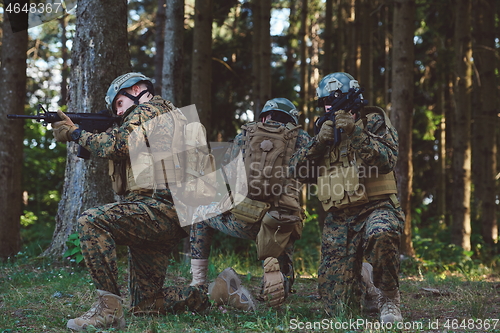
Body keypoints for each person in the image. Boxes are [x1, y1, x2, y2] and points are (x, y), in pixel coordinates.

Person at [51, 72, 255, 331]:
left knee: (91, 222)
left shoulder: (148, 110)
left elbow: (117, 145)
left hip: (157, 209)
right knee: (146, 304)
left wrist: (75, 133)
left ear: (136, 90)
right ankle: (218, 291)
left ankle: (108, 311)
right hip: (167, 215)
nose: (118, 113)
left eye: (119, 104)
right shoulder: (170, 115)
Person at [290, 72, 405, 322]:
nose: (327, 106)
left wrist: (354, 131)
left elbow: (387, 161)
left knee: (381, 233)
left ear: (350, 98)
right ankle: (365, 279)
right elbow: (295, 171)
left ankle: (388, 297)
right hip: (340, 219)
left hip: (377, 207)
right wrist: (318, 143)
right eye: (323, 103)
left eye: (331, 100)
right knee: (339, 311)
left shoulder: (373, 121)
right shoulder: (324, 130)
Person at [189, 98, 312, 308]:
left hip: (245, 218)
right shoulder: (301, 138)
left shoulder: (245, 134)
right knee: (282, 260)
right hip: (281, 222)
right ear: (292, 120)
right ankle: (278, 279)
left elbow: (227, 175)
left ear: (264, 116)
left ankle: (198, 283)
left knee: (200, 215)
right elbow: (312, 174)